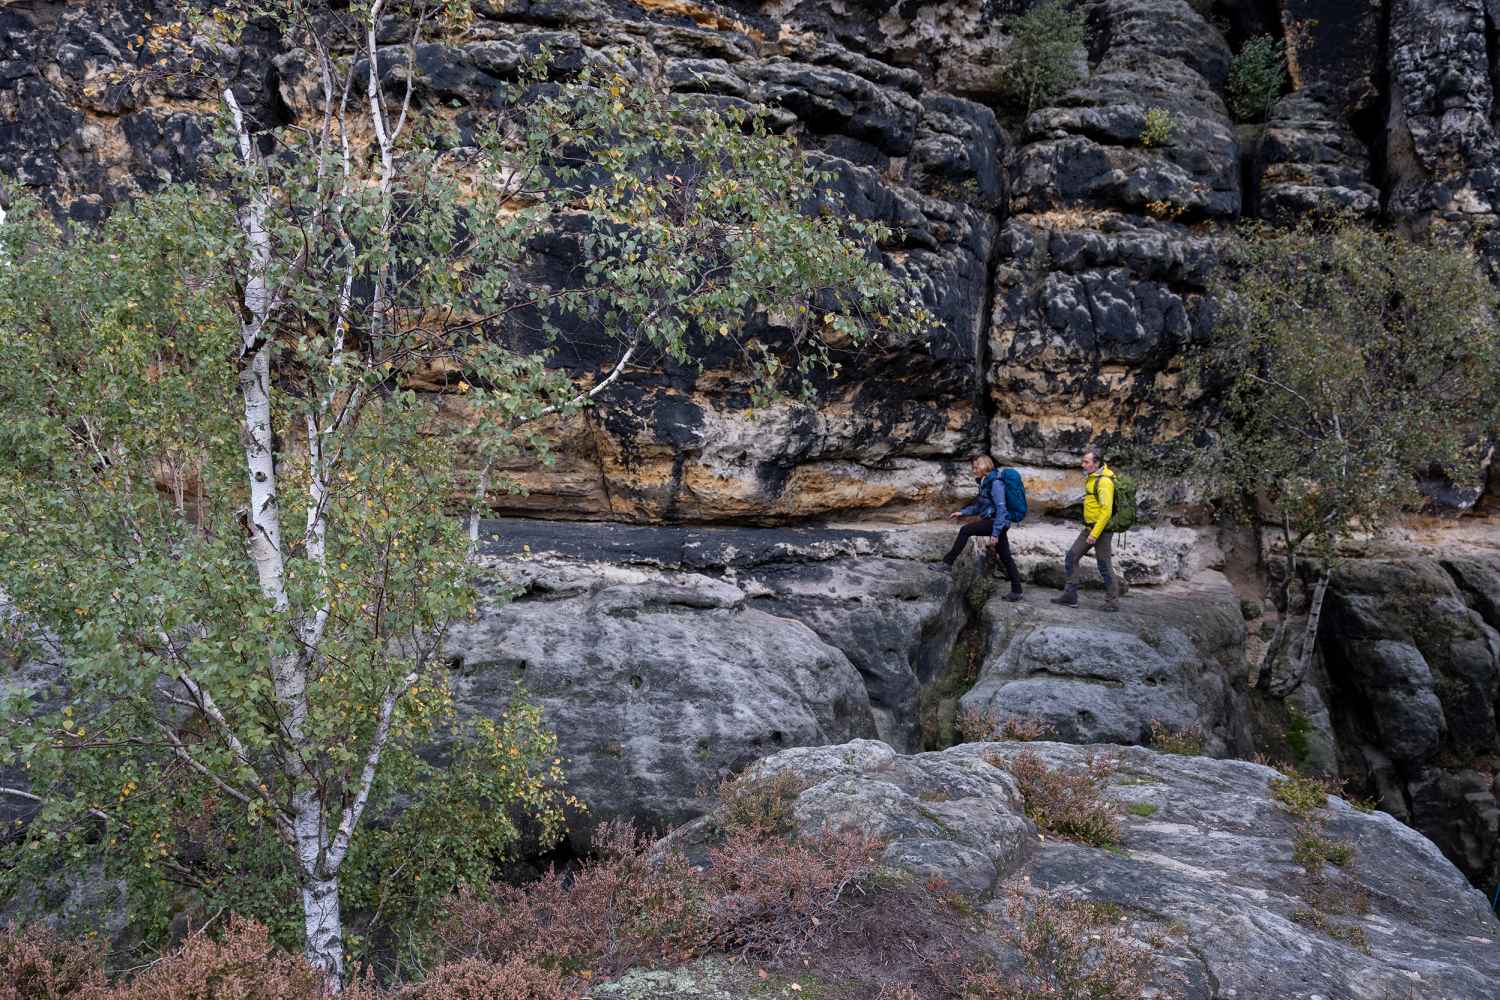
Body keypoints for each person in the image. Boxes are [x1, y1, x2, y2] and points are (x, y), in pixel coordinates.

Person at [941, 455, 1024, 601]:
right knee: (1005, 557)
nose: (974, 470)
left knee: (965, 530)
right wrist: (963, 512)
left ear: (985, 466)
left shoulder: (996, 483)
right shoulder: (985, 482)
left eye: (976, 467)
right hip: (996, 522)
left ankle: (947, 563)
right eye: (973, 467)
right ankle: (1017, 591)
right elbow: (980, 506)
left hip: (997, 522)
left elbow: (1001, 509)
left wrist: (995, 533)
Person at [1053, 448, 1120, 612]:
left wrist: (1094, 534)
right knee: (1071, 557)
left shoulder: (1104, 481)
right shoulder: (1092, 478)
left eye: (1086, 462)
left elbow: (1106, 511)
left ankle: (1112, 602)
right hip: (1089, 527)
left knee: (1104, 565)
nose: (1083, 464)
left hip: (1101, 530)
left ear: (1096, 463)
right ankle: (1070, 596)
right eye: (1083, 461)